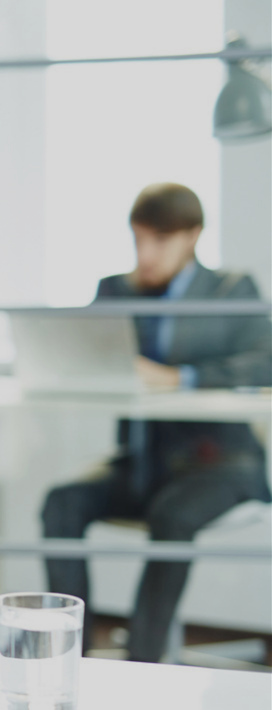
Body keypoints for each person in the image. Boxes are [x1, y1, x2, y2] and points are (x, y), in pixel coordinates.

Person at [41, 182, 272, 663]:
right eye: (138, 239)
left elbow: (263, 362)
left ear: (192, 236)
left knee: (173, 514)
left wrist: (177, 378)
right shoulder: (115, 290)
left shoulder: (233, 288)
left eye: (159, 241)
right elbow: (82, 356)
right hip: (145, 462)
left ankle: (143, 665)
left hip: (223, 466)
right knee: (61, 505)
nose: (145, 254)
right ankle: (70, 660)